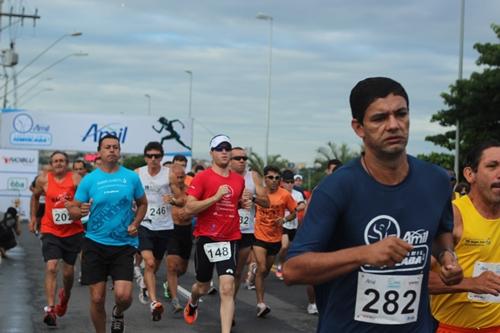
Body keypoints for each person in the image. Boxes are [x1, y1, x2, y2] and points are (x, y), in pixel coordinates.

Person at [283, 77, 463, 333]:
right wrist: (364, 254)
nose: (393, 125)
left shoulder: (436, 180)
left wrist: (447, 257)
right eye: (379, 118)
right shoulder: (336, 188)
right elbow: (292, 271)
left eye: (401, 114)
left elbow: (440, 232)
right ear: (359, 127)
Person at [68, 134, 148, 333]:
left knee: (124, 296)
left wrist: (136, 222)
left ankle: (118, 313)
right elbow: (73, 210)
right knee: (96, 298)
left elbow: (143, 203)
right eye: (107, 147)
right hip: (95, 243)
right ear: (100, 152)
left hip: (123, 244)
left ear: (119, 151)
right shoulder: (90, 180)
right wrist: (80, 211)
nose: (112, 150)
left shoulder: (131, 177)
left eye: (115, 147)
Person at [430, 140, 500, 332]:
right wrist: (471, 283)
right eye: (492, 166)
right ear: (470, 174)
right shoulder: (453, 216)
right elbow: (416, 278)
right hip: (453, 328)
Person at [183, 134, 250, 333]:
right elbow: (189, 207)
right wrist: (215, 197)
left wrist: (243, 203)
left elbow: (235, 203)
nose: (224, 152)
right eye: (219, 148)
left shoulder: (238, 180)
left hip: (229, 239)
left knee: (227, 287)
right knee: (202, 287)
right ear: (212, 153)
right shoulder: (202, 177)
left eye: (227, 148)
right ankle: (193, 300)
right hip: (207, 238)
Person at [30, 151, 84, 327]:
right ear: (51, 164)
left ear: (67, 163)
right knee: (51, 267)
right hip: (50, 229)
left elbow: (87, 200)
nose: (59, 163)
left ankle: (65, 296)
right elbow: (35, 196)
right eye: (55, 161)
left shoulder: (76, 179)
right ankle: (51, 308)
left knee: (68, 273)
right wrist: (33, 218)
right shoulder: (43, 180)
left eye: (62, 161)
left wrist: (78, 209)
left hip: (72, 231)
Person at [135, 141, 181, 321]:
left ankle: (146, 285)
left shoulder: (169, 174)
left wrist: (174, 200)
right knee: (150, 262)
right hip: (144, 224)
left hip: (164, 226)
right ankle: (155, 302)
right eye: (150, 156)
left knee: (155, 265)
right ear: (145, 157)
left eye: (157, 156)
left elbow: (182, 199)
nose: (153, 159)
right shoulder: (138, 173)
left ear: (162, 157)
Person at [253, 166, 297, 317]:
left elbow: (294, 212)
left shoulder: (285, 194)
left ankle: (257, 274)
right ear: (265, 179)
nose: (274, 181)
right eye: (270, 177)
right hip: (258, 235)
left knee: (263, 272)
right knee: (262, 266)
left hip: (275, 238)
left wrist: (284, 219)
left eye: (277, 178)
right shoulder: (260, 192)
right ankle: (261, 304)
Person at [229, 147, 269, 298]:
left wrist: (252, 197)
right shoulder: (223, 176)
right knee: (226, 272)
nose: (241, 161)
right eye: (237, 158)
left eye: (244, 158)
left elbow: (266, 202)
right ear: (230, 160)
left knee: (237, 272)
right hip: (225, 230)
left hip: (245, 230)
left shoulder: (253, 176)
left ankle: (229, 303)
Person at [165, 164, 193, 312]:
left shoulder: (190, 188)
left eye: (183, 176)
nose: (181, 179)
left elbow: (192, 204)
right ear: (171, 176)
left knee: (182, 268)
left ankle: (168, 284)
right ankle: (175, 300)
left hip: (186, 230)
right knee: (172, 266)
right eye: (178, 177)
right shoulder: (166, 188)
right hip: (171, 228)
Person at [276, 170, 306, 281]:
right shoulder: (278, 193)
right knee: (284, 246)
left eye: (291, 182)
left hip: (293, 225)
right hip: (282, 225)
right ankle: (280, 265)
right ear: (282, 182)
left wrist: (294, 208)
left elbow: (303, 204)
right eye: (287, 182)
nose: (290, 184)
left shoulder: (297, 194)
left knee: (295, 249)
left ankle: (290, 268)